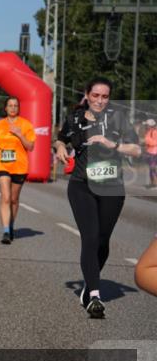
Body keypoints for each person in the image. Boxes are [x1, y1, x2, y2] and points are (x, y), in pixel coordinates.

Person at [54, 77, 141, 318]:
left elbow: (136, 149)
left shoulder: (118, 119)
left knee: (102, 241)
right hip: (82, 185)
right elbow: (61, 137)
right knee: (90, 238)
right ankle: (94, 295)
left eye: (104, 96)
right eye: (95, 96)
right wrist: (60, 147)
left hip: (112, 187)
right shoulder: (74, 118)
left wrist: (110, 144)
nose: (100, 101)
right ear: (87, 95)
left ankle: (88, 285)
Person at [0, 96, 36, 243]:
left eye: (15, 105)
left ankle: (10, 225)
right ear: (5, 108)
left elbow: (30, 146)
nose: (13, 108)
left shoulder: (26, 124)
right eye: (10, 105)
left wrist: (19, 134)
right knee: (5, 196)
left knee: (14, 199)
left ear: (18, 108)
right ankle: (5, 231)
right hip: (2, 164)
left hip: (19, 165)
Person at [144, 119, 157, 189]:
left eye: (147, 125)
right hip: (149, 152)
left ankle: (155, 183)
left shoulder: (154, 132)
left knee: (152, 168)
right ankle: (152, 183)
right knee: (151, 168)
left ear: (150, 125)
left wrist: (147, 142)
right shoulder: (148, 132)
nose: (146, 126)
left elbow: (155, 142)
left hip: (154, 152)